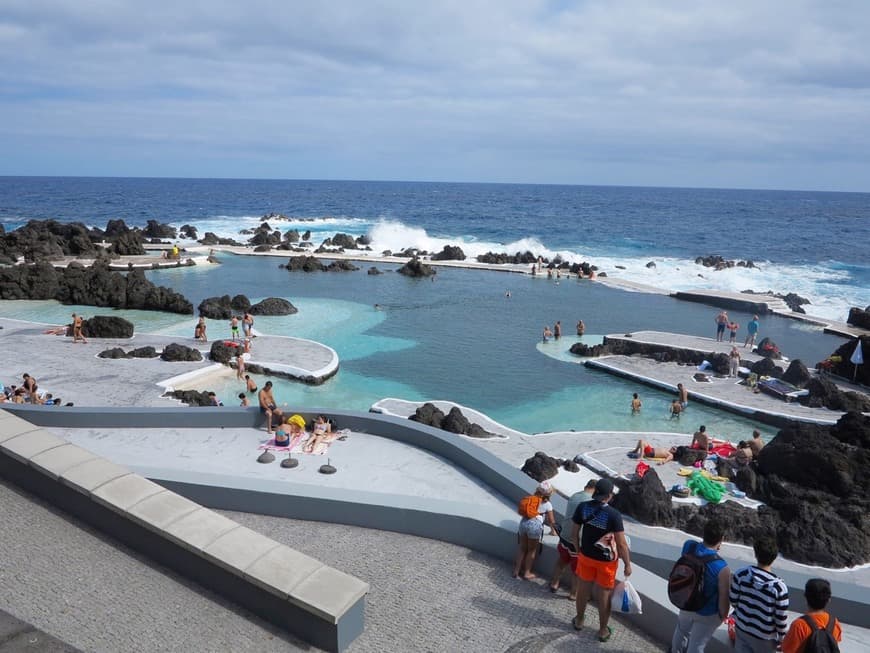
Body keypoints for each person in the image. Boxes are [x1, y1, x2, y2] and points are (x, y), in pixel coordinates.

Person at [571, 478, 631, 643]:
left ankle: (579, 620)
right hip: (606, 562)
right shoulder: (614, 515)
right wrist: (627, 564)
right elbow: (621, 544)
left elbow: (574, 532)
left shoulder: (583, 507)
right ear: (609, 495)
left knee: (583, 589)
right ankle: (603, 630)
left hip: (586, 556)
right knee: (604, 594)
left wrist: (578, 550)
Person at [670, 520, 731, 653]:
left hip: (686, 600)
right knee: (697, 645)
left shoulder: (689, 547)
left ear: (704, 534)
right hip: (707, 612)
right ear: (721, 539)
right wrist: (723, 616)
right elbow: (723, 598)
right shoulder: (722, 567)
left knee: (680, 633)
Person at [730, 536, 789, 652]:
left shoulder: (741, 574)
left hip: (742, 628)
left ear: (756, 554)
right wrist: (783, 638)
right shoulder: (779, 588)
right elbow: (780, 619)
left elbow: (733, 600)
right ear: (774, 557)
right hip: (765, 637)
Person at [550, 479, 597, 598]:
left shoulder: (574, 496)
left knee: (561, 561)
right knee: (577, 570)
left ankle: (554, 583)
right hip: (577, 540)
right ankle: (573, 593)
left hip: (564, 535)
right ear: (595, 490)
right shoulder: (591, 502)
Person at [781, 579, 842, 653]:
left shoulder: (799, 625)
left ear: (806, 597)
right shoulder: (835, 623)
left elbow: (787, 649)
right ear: (829, 599)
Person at [512, 481, 558, 580]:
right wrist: (553, 531)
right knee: (531, 550)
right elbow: (551, 520)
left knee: (522, 548)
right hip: (535, 526)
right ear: (548, 494)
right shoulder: (547, 504)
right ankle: (527, 572)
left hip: (524, 522)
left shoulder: (531, 499)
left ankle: (516, 570)